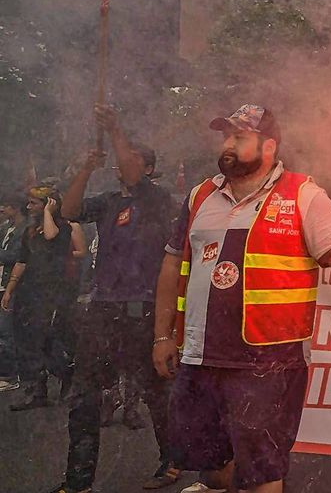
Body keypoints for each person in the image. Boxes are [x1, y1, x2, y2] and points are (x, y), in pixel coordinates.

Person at [154, 104, 331, 493]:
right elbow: (172, 264)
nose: (227, 145)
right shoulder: (200, 196)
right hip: (199, 355)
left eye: (239, 138)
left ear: (269, 148)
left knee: (262, 473)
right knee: (210, 470)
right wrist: (162, 336)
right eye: (226, 136)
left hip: (269, 363)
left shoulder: (304, 195)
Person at [41, 104, 182, 493]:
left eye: (132, 160)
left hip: (144, 310)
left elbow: (134, 174)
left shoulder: (157, 198)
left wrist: (115, 128)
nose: (123, 166)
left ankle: (173, 461)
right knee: (84, 394)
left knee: (156, 392)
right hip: (103, 309)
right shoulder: (107, 201)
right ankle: (78, 480)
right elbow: (69, 211)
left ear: (148, 168)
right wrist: (86, 168)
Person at [1, 186, 75, 411]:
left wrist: (49, 213)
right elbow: (22, 261)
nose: (28, 207)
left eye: (34, 203)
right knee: (29, 342)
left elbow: (51, 236)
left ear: (48, 204)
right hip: (30, 291)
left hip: (53, 292)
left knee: (47, 339)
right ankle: (37, 391)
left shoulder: (62, 228)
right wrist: (9, 290)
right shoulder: (30, 231)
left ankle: (65, 372)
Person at [0, 191, 31, 391]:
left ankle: (11, 376)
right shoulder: (6, 228)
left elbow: (18, 256)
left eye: (5, 205)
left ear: (15, 208)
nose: (1, 209)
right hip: (2, 283)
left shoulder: (24, 230)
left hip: (13, 286)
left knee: (7, 331)